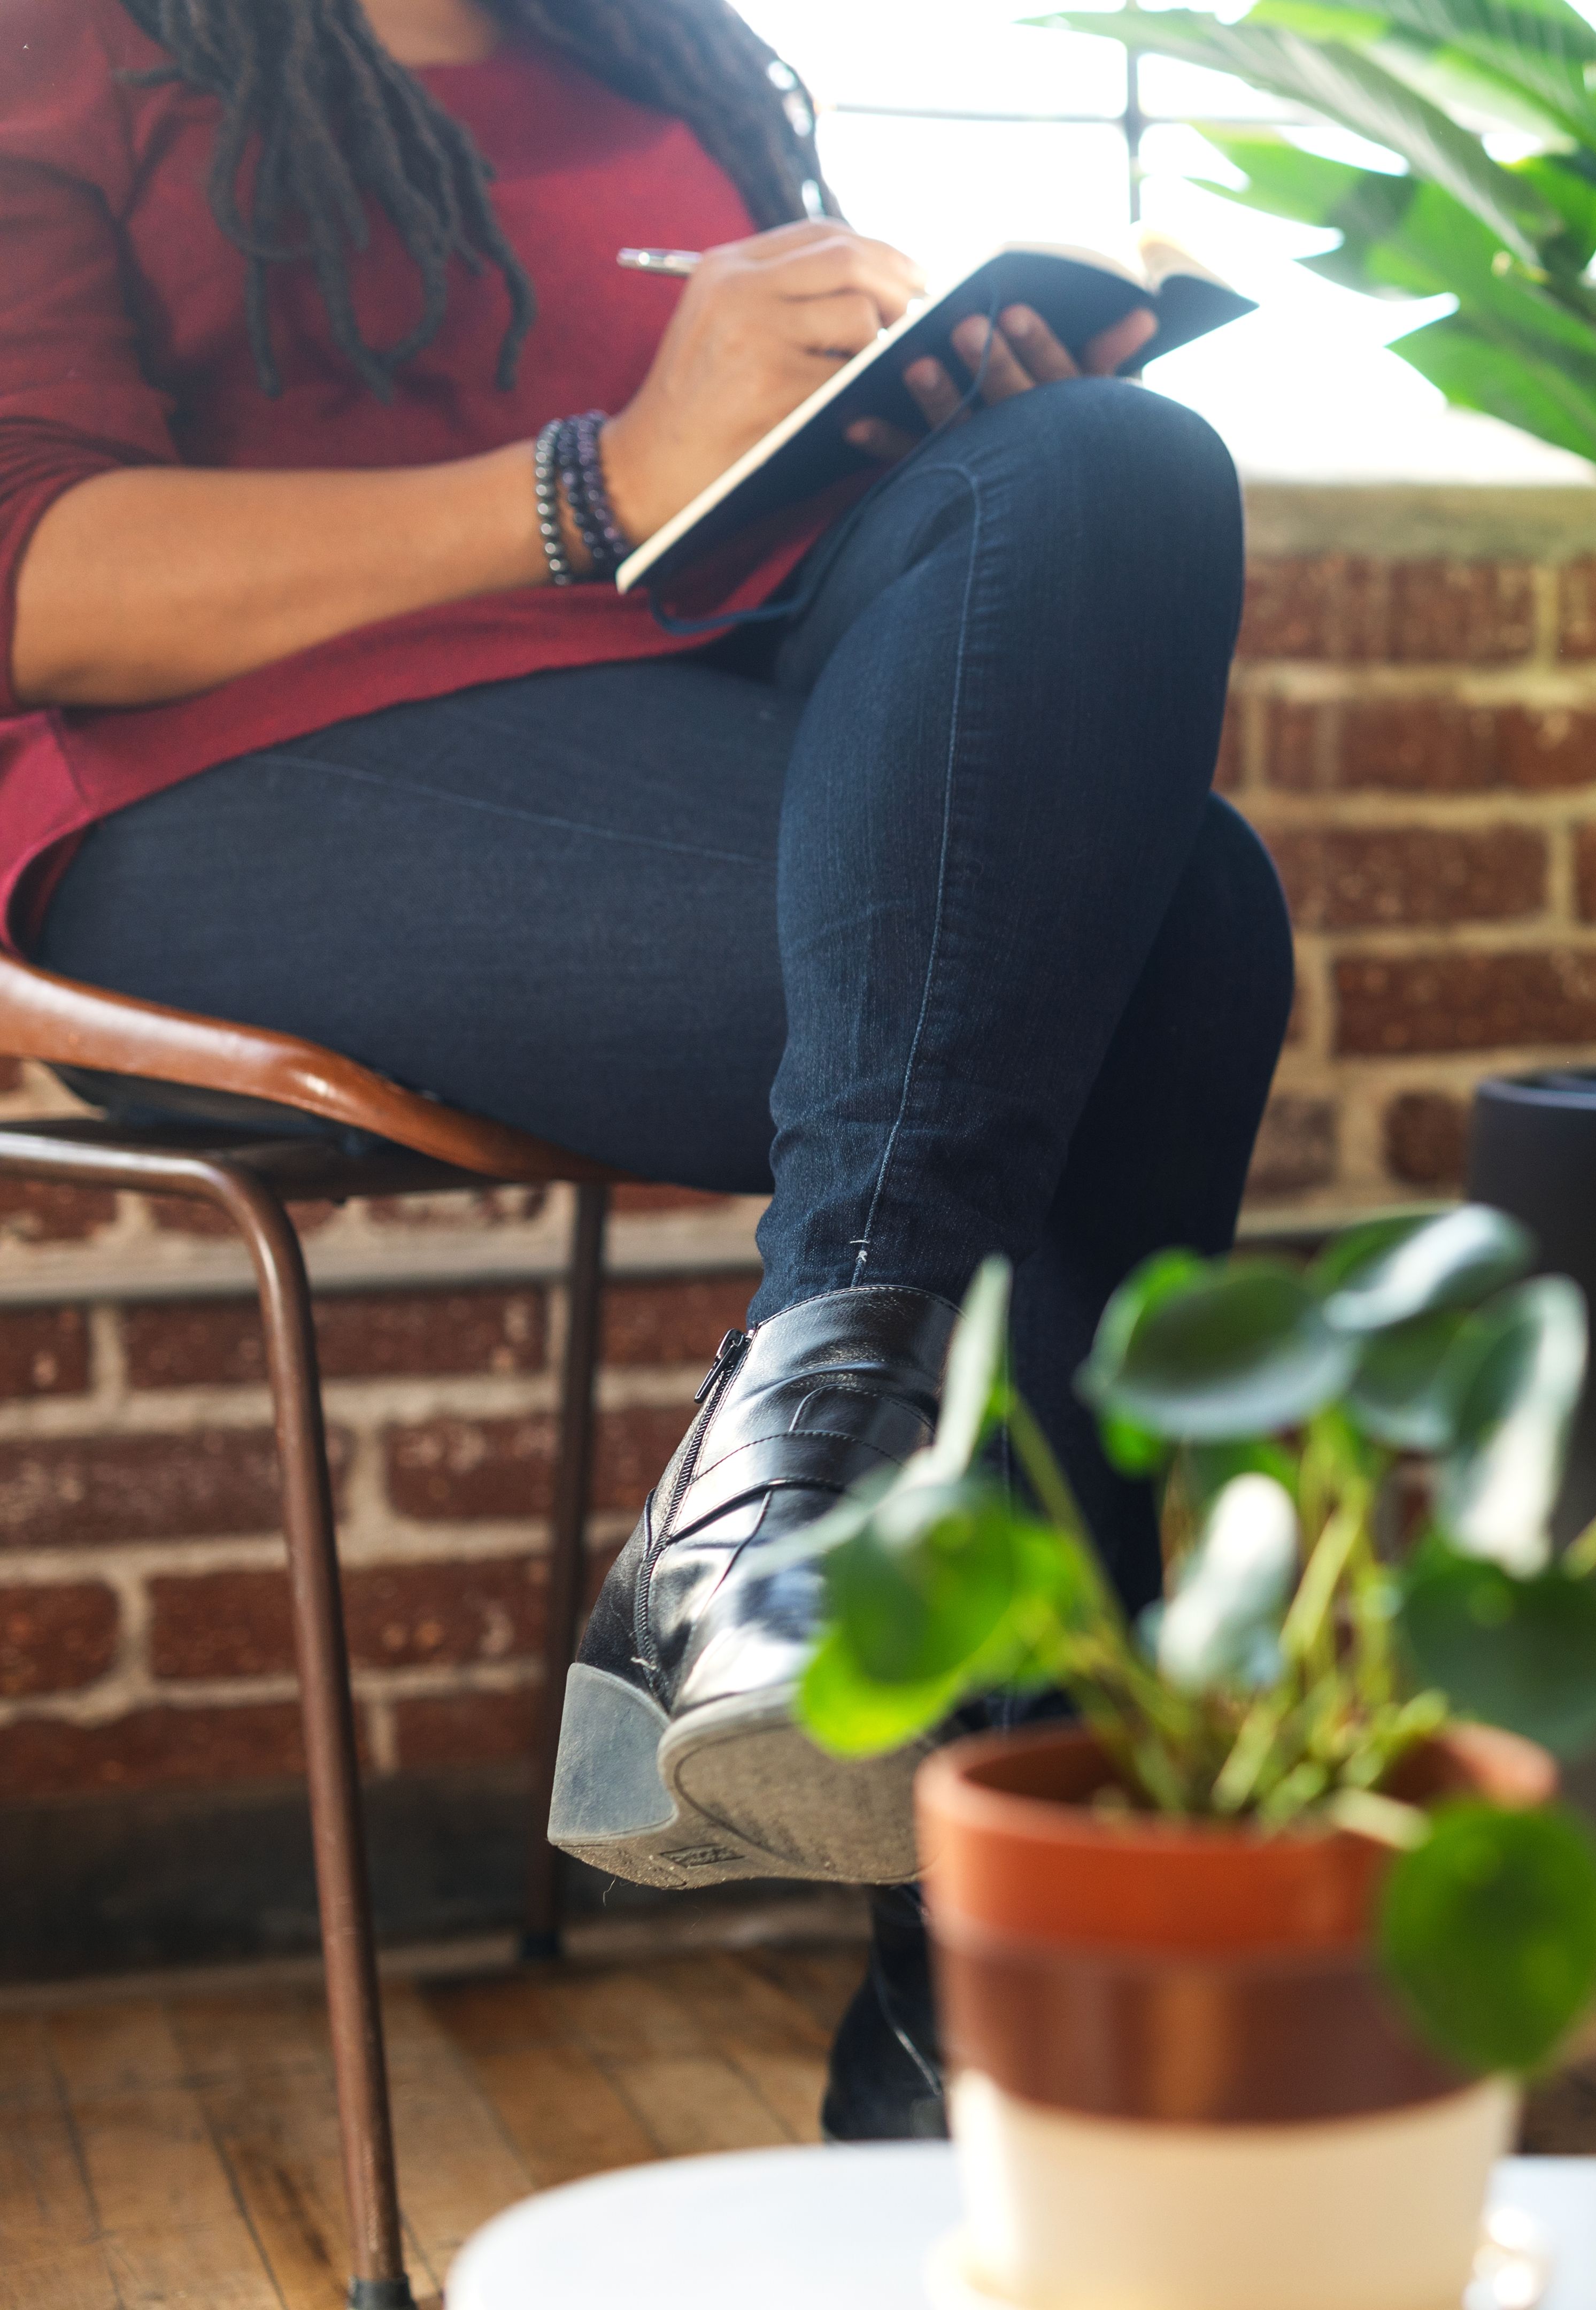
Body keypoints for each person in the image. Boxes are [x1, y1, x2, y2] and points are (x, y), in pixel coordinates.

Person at [0, 0, 1286, 2137]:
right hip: (212, 789)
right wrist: (590, 486)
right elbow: (32, 581)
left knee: (1111, 473)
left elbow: (774, 516)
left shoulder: (660, 57)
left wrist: (931, 407)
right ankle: (989, 1994)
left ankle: (800, 1470)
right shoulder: (74, 41)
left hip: (695, 729)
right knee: (1158, 936)